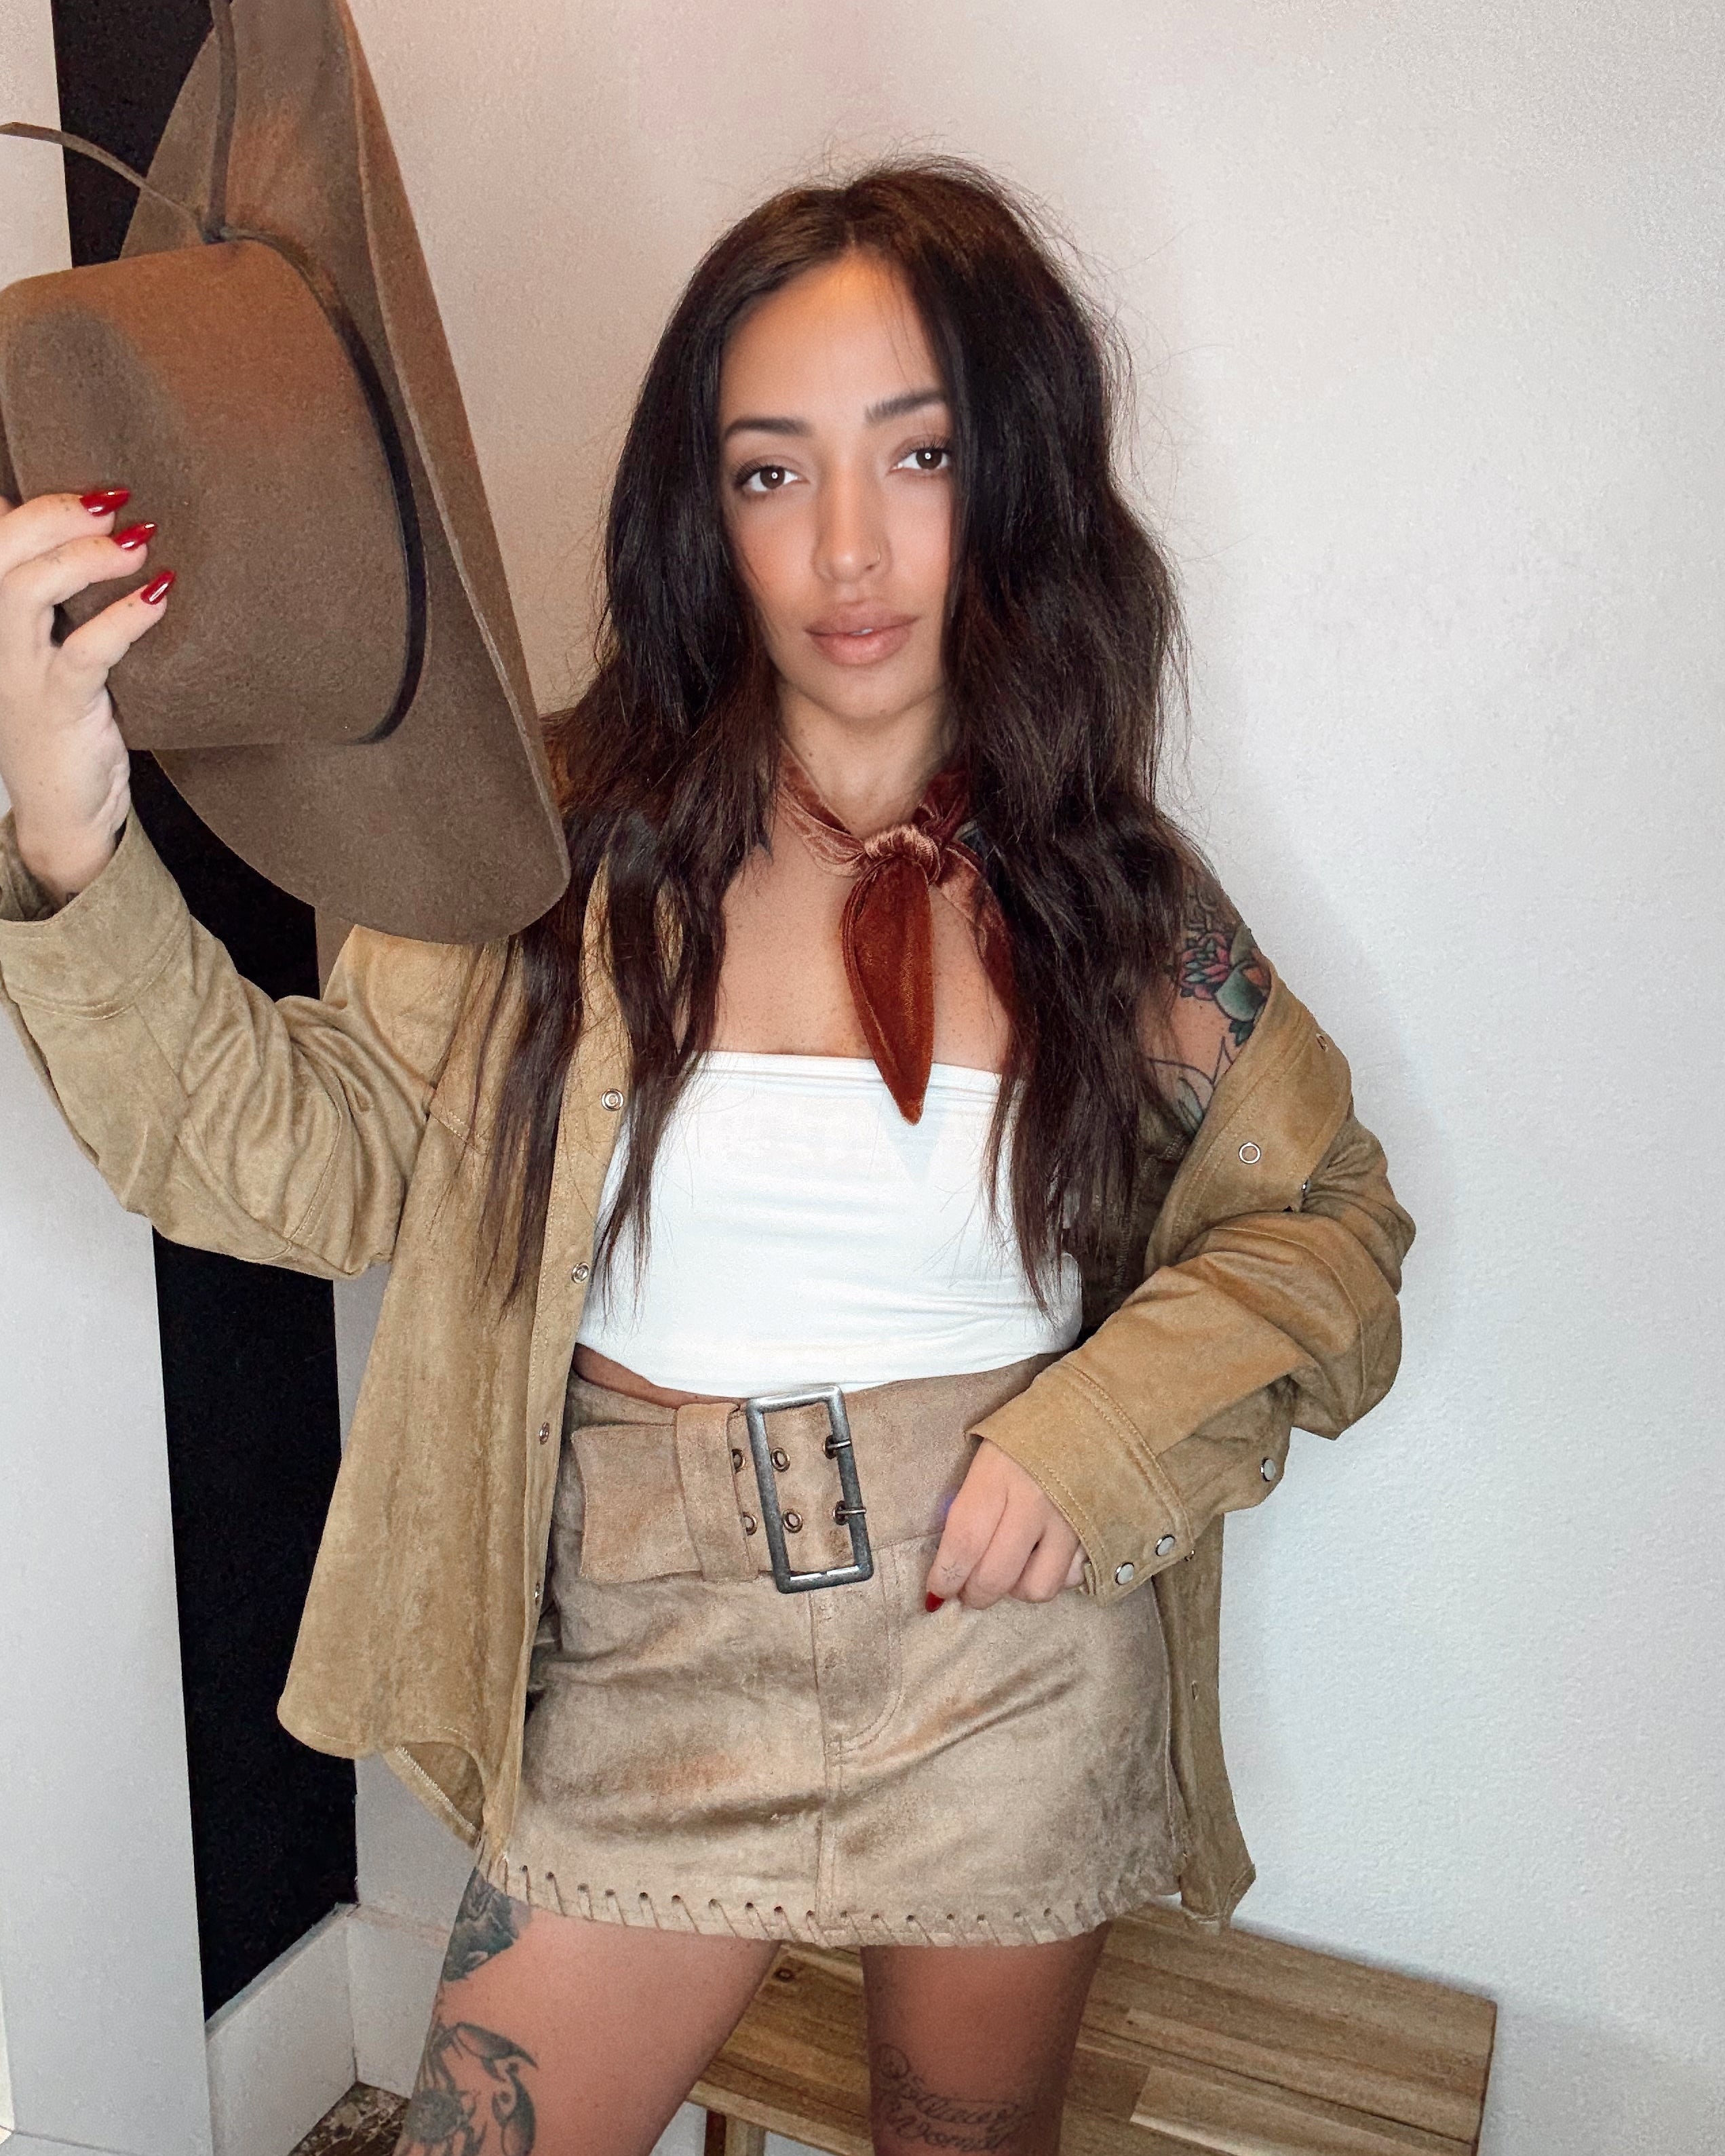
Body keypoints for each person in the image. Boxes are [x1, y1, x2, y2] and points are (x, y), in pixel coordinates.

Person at [0, 162, 1412, 2156]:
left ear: (1015, 476)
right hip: (639, 1642)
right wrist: (73, 842)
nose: (847, 545)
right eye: (771, 471)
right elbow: (302, 1162)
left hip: (1002, 1656)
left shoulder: (1115, 903)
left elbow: (1337, 1224)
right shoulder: (541, 843)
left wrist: (1102, 1436)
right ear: (702, 508)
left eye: (918, 453)